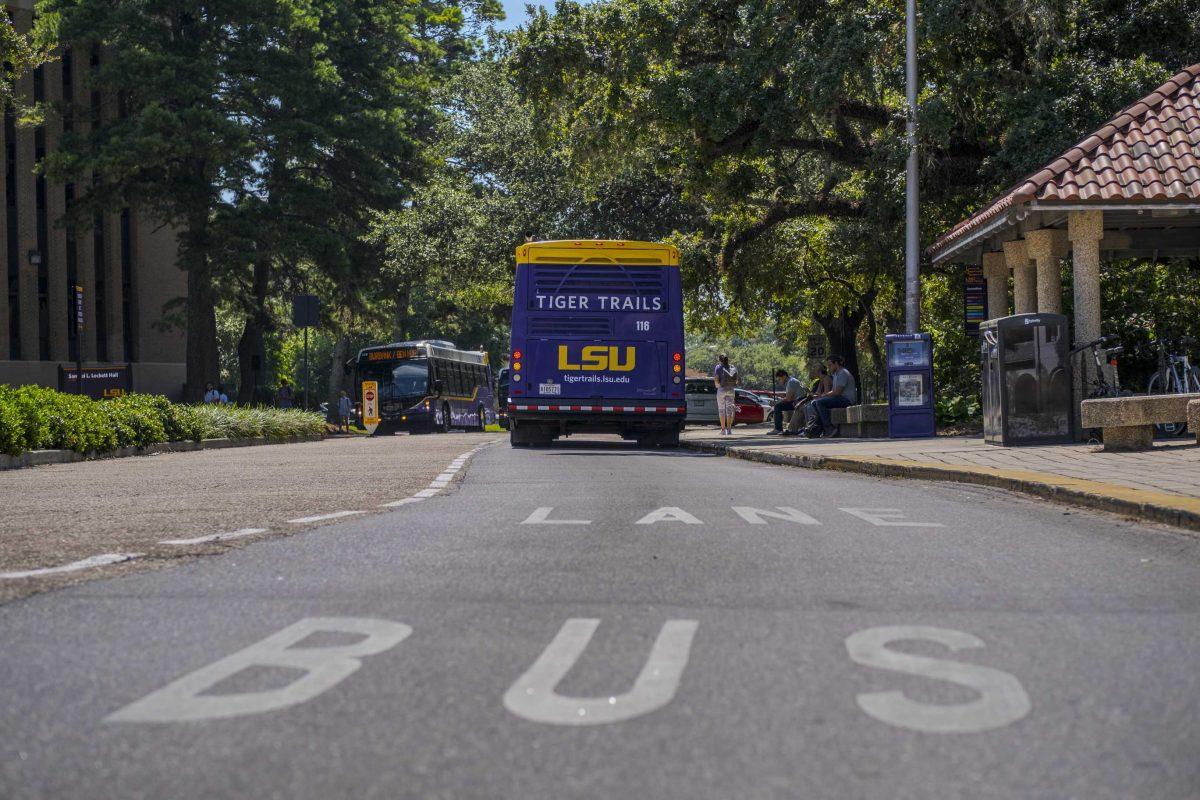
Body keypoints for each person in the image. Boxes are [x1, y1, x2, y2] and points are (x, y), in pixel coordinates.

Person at [809, 354, 857, 438]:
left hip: (846, 400)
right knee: (814, 402)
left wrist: (823, 396)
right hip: (839, 398)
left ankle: (829, 429)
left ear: (836, 364)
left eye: (830, 365)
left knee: (820, 403)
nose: (829, 367)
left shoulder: (843, 373)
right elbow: (833, 391)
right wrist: (822, 395)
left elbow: (837, 392)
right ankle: (819, 429)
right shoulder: (836, 374)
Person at [781, 365, 832, 436]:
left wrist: (814, 395)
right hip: (816, 400)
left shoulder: (826, 379)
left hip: (822, 401)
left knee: (807, 407)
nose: (813, 372)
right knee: (800, 407)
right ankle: (792, 429)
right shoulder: (818, 382)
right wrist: (804, 399)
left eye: (814, 370)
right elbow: (814, 394)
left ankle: (810, 429)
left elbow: (826, 393)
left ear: (819, 372)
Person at [767, 369, 807, 434]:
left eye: (780, 379)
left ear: (784, 376)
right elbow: (789, 396)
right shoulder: (791, 381)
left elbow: (788, 399)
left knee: (778, 406)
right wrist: (780, 399)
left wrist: (777, 402)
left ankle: (778, 429)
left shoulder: (791, 382)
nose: (780, 381)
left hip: (799, 402)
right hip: (796, 401)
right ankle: (778, 428)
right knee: (779, 404)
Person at [713, 353, 740, 435]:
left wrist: (718, 386)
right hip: (731, 389)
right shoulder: (732, 367)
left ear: (719, 360)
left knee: (721, 410)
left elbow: (716, 379)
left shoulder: (718, 367)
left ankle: (723, 430)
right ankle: (729, 430)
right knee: (729, 410)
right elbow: (737, 380)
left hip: (722, 389)